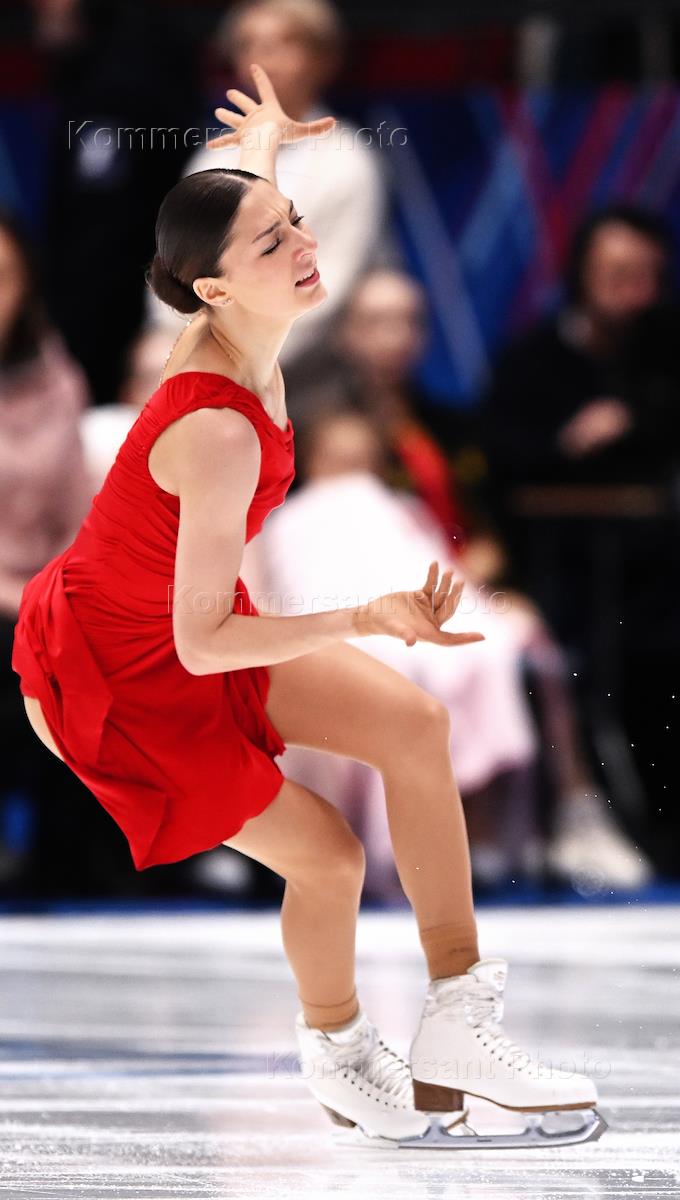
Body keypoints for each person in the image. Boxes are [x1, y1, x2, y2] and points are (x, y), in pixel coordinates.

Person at [11, 65, 603, 1148]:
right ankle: (338, 1051)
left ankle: (457, 1020)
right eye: (274, 244)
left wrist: (262, 155)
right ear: (214, 291)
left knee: (413, 723)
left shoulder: (239, 323)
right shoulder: (215, 424)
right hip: (115, 674)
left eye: (294, 225)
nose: (303, 246)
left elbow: (227, 229)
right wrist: (362, 617)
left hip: (169, 624)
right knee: (327, 858)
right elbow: (202, 644)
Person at [146, 0, 391, 387]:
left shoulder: (348, 159)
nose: (264, 59)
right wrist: (191, 343)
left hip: (309, 360)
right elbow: (176, 267)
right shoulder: (211, 156)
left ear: (323, 58)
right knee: (152, 361)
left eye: (284, 43)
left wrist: (245, 353)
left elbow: (330, 287)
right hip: (213, 342)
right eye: (249, 45)